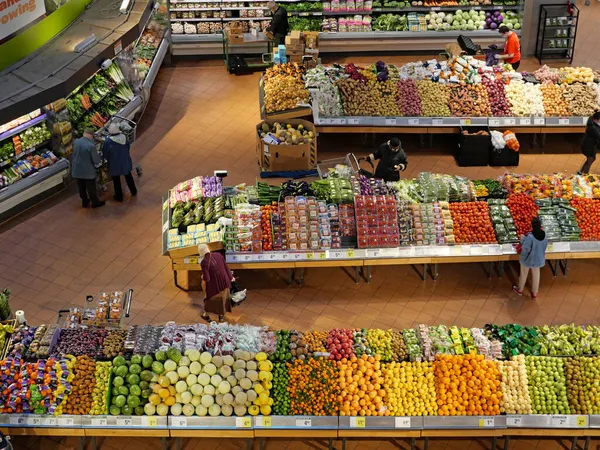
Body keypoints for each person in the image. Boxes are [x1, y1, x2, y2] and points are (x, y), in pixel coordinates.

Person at [513, 217, 548, 300]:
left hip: (528, 259)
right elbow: (545, 245)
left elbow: (526, 249)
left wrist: (522, 240)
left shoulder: (530, 237)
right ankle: (534, 293)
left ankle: (520, 290)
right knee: (536, 275)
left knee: (523, 274)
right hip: (538, 259)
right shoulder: (544, 234)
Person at [102, 122, 137, 202]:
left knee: (116, 180)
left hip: (115, 163)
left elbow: (105, 152)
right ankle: (133, 191)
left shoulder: (108, 141)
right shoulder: (123, 137)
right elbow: (128, 147)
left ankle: (119, 196)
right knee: (128, 176)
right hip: (125, 160)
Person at [198, 244, 234, 322]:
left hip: (214, 286)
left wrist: (202, 277)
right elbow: (226, 267)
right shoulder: (218, 255)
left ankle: (206, 315)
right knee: (223, 299)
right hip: (225, 281)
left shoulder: (204, 262)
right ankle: (221, 316)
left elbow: (207, 278)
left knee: (210, 300)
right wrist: (231, 277)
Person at [72, 128, 105, 208]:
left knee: (81, 187)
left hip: (76, 169)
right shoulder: (90, 146)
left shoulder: (76, 142)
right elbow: (96, 160)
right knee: (91, 188)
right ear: (91, 136)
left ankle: (84, 201)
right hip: (87, 171)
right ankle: (95, 203)